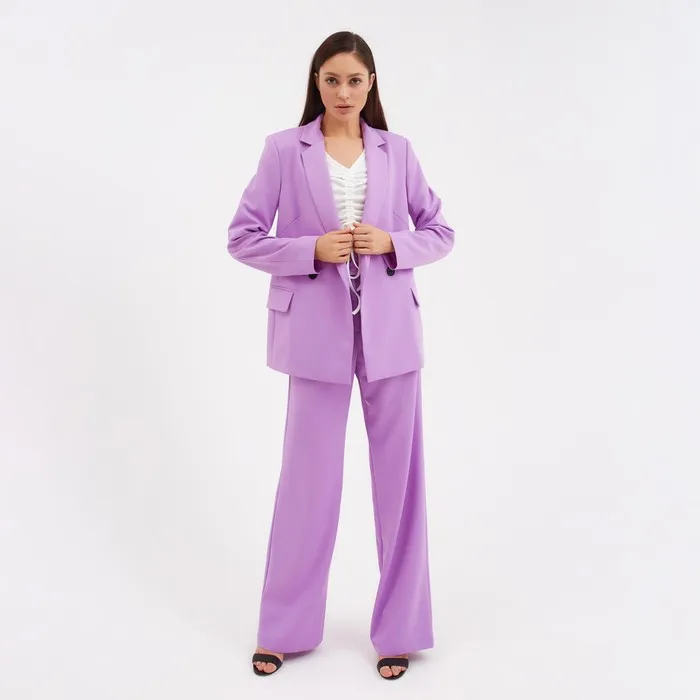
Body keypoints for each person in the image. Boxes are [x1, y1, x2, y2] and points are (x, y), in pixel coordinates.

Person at [226, 30, 455, 680]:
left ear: (371, 83)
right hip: (313, 338)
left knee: (401, 487)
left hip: (391, 337)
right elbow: (242, 236)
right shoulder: (283, 149)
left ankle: (400, 632)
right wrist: (309, 250)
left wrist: (393, 242)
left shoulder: (397, 151)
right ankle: (284, 628)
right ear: (317, 83)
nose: (344, 92)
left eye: (355, 80)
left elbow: (440, 231)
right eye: (332, 80)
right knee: (307, 484)